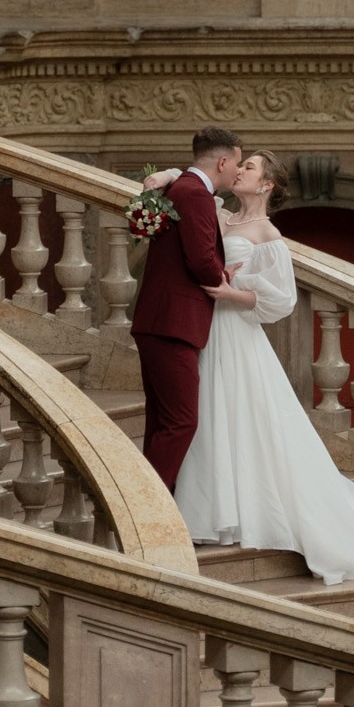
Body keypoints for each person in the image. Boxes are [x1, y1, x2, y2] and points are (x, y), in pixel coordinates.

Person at [173, 154, 354, 585]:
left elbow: (281, 301)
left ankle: (254, 513)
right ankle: (214, 508)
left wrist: (230, 291)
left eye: (251, 168)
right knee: (209, 413)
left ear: (267, 186)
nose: (240, 170)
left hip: (235, 332)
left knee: (243, 416)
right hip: (204, 328)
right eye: (240, 164)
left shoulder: (268, 235)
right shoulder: (217, 213)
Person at [130, 125, 240, 491]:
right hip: (172, 324)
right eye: (236, 164)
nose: (237, 172)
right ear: (222, 161)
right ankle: (146, 509)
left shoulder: (182, 186)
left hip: (160, 321)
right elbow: (200, 259)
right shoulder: (195, 194)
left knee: (162, 422)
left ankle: (148, 511)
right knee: (181, 422)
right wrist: (223, 274)